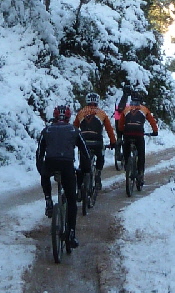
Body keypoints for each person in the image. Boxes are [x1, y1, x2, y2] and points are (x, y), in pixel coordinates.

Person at [36, 105, 90, 247]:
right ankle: (71, 233)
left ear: (54, 117)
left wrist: (41, 170)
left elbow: (39, 153)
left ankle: (48, 199)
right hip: (66, 165)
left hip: (51, 163)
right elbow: (85, 152)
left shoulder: (47, 130)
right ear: (68, 117)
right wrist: (86, 169)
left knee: (45, 172)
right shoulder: (74, 130)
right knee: (71, 200)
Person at [114, 97, 159, 190]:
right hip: (139, 134)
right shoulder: (144, 109)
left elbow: (120, 124)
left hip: (127, 133)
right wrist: (155, 131)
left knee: (126, 149)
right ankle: (140, 173)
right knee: (141, 154)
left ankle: (127, 165)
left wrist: (122, 131)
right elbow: (152, 121)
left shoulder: (126, 109)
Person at [73, 97, 116, 189]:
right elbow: (109, 129)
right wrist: (113, 142)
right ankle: (98, 173)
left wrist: (72, 141)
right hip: (97, 141)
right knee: (100, 156)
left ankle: (80, 185)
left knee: (83, 162)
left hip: (84, 141)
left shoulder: (81, 113)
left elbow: (74, 128)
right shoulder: (101, 113)